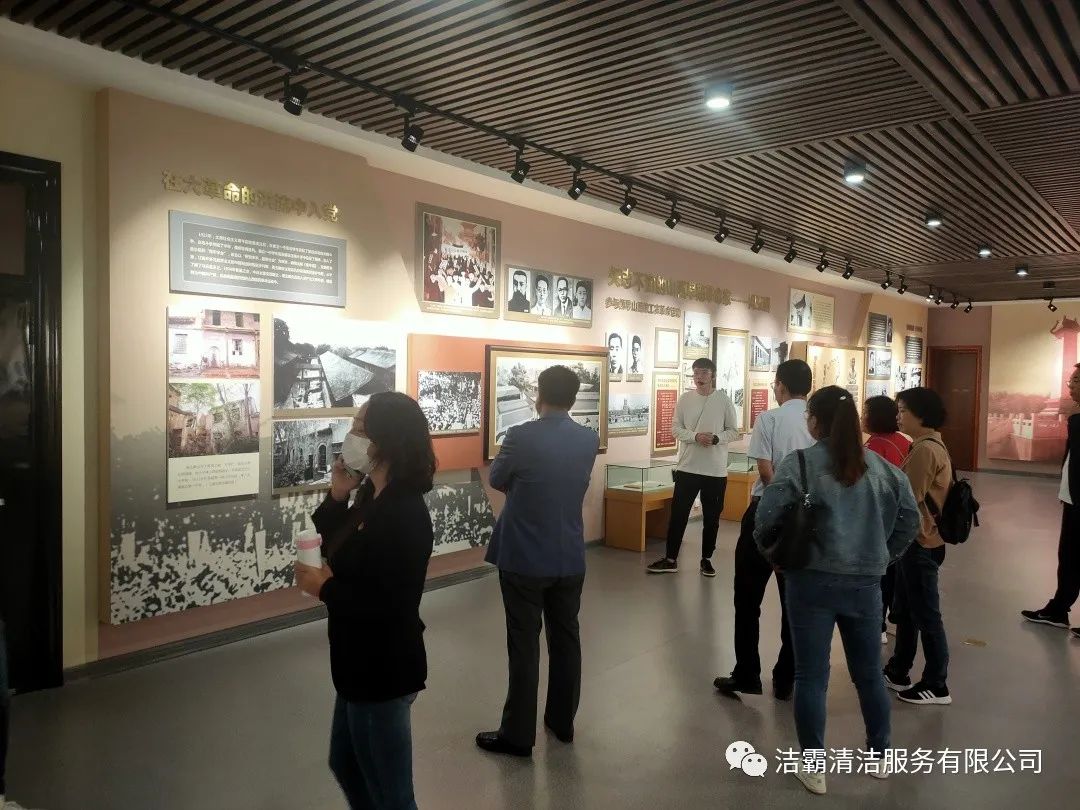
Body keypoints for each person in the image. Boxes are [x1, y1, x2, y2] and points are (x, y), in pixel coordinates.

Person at [755, 386, 919, 795]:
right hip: (865, 584)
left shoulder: (800, 464)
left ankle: (813, 767)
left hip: (809, 581)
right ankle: (880, 755)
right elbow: (909, 520)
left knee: (811, 676)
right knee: (869, 675)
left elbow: (766, 518)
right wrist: (883, 556)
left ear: (815, 421)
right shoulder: (881, 468)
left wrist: (776, 556)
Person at [295, 391, 436, 810]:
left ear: (385, 439)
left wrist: (324, 589)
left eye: (359, 427)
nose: (351, 435)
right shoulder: (372, 496)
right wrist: (338, 495)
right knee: (347, 764)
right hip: (357, 660)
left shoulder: (404, 513)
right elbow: (340, 547)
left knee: (391, 793)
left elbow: (388, 606)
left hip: (382, 667)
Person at [476, 366, 600, 757]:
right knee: (566, 639)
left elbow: (497, 478)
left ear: (539, 394)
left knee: (524, 643)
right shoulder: (588, 439)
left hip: (524, 556)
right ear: (574, 398)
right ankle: (562, 722)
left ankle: (517, 734)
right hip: (569, 555)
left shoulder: (520, 436)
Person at [714, 359, 813, 700]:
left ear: (781, 385)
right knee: (793, 600)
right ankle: (786, 678)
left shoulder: (769, 419)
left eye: (775, 383)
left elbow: (767, 471)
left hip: (766, 512)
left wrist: (778, 502)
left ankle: (747, 673)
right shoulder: (817, 422)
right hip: (805, 518)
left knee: (747, 596)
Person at [883, 387, 954, 706]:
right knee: (908, 611)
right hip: (917, 541)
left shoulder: (925, 450)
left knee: (926, 615)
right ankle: (899, 669)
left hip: (920, 542)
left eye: (903, 410)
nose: (898, 416)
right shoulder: (927, 444)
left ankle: (937, 684)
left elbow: (907, 499)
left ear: (921, 415)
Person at [647, 358, 739, 575]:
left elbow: (733, 431)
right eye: (696, 373)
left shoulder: (724, 400)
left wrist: (716, 438)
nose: (699, 377)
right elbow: (675, 429)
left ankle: (707, 559)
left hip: (715, 471)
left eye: (704, 373)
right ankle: (671, 558)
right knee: (678, 515)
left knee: (712, 518)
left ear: (713, 375)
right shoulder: (685, 399)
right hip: (687, 468)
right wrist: (695, 436)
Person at [1023, 364, 1080, 637]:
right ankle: (1058, 609)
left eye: (1076, 380)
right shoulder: (1075, 419)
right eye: (1071, 380)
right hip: (1071, 498)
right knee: (1068, 555)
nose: (1071, 385)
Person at [864, 395, 913, 643]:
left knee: (880, 578)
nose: (862, 417)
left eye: (865, 412)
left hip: (881, 521)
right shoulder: (904, 442)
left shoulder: (874, 446)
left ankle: (878, 626)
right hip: (901, 518)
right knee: (895, 575)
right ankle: (895, 620)